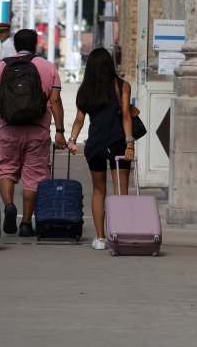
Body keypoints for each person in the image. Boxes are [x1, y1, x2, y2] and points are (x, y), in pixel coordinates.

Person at [0, 29, 66, 237]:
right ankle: (26, 223)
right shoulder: (48, 67)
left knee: (5, 170)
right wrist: (60, 131)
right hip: (38, 130)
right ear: (36, 44)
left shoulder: (3, 66)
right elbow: (55, 101)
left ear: (16, 46)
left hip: (9, 128)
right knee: (34, 177)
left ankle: (9, 204)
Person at [66, 47, 135, 250]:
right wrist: (130, 144)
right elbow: (126, 116)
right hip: (117, 144)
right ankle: (120, 233)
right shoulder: (122, 86)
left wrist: (72, 140)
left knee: (98, 191)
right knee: (120, 191)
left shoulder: (86, 89)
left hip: (95, 145)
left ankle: (100, 238)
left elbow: (79, 120)